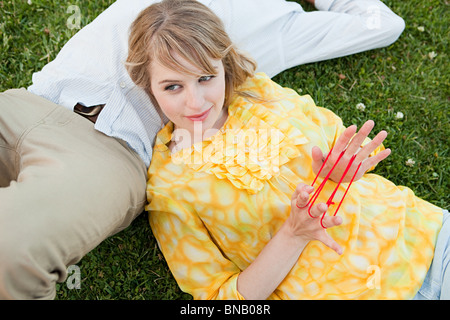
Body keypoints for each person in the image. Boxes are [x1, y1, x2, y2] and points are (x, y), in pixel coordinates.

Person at [0, 0, 406, 299]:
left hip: (106, 151)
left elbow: (382, 23)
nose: (195, 99)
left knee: (9, 249)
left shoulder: (274, 21)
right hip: (24, 102)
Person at [130, 0, 449, 299]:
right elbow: (223, 298)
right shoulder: (170, 189)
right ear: (147, 85)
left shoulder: (259, 92)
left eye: (205, 77)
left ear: (224, 66)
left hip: (426, 236)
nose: (195, 102)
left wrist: (345, 170)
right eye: (173, 86)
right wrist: (293, 234)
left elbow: (341, 142)